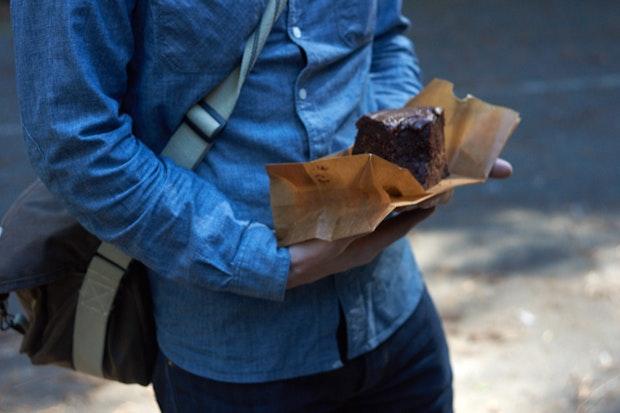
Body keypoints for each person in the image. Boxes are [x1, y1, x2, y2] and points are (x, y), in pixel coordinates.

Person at [11, 0, 511, 411]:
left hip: (396, 322)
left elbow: (382, 39)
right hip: (232, 362)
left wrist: (416, 157)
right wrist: (265, 262)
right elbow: (76, 143)